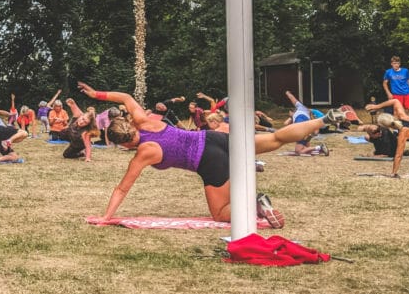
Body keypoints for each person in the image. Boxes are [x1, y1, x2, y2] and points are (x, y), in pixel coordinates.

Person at [78, 80, 342, 225]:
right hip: (215, 138)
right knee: (274, 138)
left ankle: (256, 206)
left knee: (221, 213)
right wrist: (96, 94)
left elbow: (123, 188)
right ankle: (323, 120)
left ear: (123, 144)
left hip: (209, 161)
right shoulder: (143, 120)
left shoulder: (143, 153)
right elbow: (125, 97)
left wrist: (106, 217)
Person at [285, 90, 329, 156]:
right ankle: (318, 149)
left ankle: (320, 148)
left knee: (298, 151)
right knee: (307, 147)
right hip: (307, 130)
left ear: (292, 111)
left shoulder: (299, 110)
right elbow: (292, 98)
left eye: (289, 113)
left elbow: (292, 98)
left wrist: (287, 93)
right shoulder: (305, 111)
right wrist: (288, 93)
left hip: (302, 130)